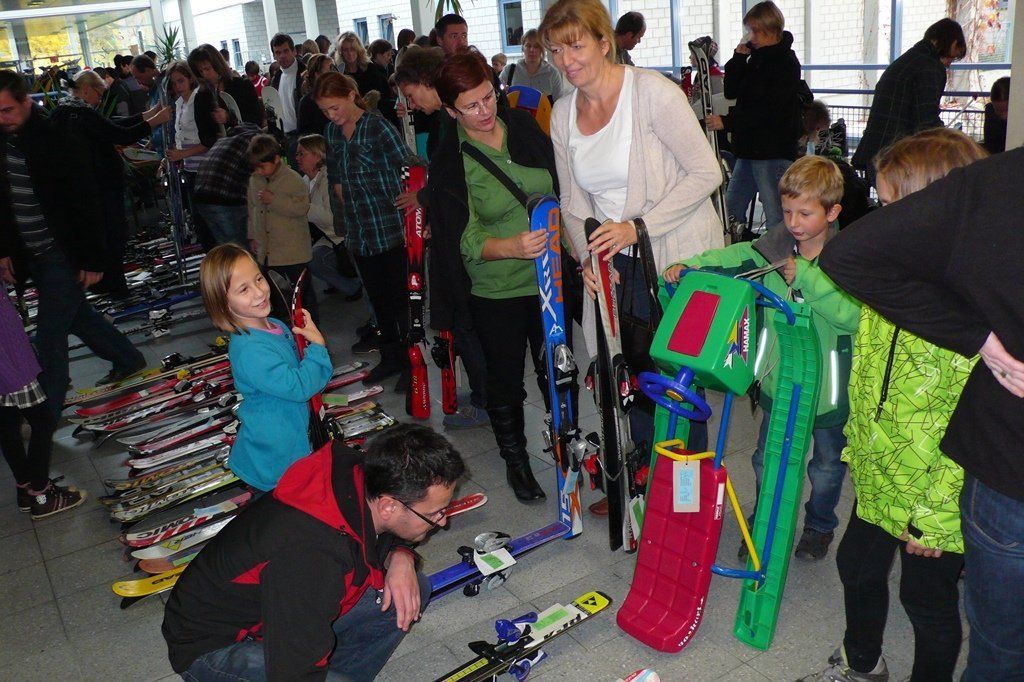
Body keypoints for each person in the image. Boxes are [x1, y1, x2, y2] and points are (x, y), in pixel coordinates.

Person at [819, 141, 1024, 682]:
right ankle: (863, 663)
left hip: (933, 504)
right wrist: (861, 456)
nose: (885, 224)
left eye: (895, 209)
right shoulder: (889, 288)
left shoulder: (969, 321)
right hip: (882, 477)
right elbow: (871, 384)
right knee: (855, 566)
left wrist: (933, 522)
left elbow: (972, 430)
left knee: (925, 604)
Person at [540, 0, 722, 493]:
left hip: (673, 256)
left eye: (575, 46)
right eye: (555, 50)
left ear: (605, 42)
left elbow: (706, 173)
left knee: (676, 383)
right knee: (628, 379)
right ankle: (645, 486)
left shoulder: (652, 94)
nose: (565, 61)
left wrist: (637, 226)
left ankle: (685, 498)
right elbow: (572, 203)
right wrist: (587, 257)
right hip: (614, 260)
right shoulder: (563, 113)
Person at [665, 155, 859, 561]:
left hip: (829, 394)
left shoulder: (848, 259)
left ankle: (819, 526)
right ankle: (763, 519)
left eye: (805, 213)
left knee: (826, 467)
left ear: (832, 212)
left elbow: (851, 316)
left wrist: (807, 278)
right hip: (780, 382)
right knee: (766, 459)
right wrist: (691, 265)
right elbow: (733, 256)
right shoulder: (773, 248)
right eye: (787, 211)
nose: (793, 222)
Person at [162, 424, 464, 680]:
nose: (443, 521)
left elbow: (381, 533)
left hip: (280, 615)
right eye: (434, 513)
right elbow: (295, 670)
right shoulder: (312, 557)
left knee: (410, 589)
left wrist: (401, 555)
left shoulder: (364, 474)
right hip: (215, 645)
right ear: (388, 506)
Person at [429, 50, 559, 501]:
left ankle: (566, 448)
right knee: (505, 382)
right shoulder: (451, 159)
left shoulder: (521, 126)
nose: (485, 111)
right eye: (471, 106)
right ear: (450, 111)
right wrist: (510, 247)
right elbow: (460, 239)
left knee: (557, 370)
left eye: (489, 97)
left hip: (551, 281)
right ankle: (516, 461)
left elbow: (559, 186)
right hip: (496, 290)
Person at [0, 70, 146, 413]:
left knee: (50, 333)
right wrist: (4, 250)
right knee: (77, 315)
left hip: (61, 254)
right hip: (30, 253)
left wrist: (94, 260)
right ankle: (128, 357)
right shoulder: (3, 143)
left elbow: (85, 203)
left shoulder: (57, 140)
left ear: (26, 102)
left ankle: (45, 412)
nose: (2, 118)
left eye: (7, 110)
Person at [198, 243, 331, 492]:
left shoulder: (274, 325)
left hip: (292, 437)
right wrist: (317, 347)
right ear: (224, 304)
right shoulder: (250, 350)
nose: (259, 292)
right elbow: (300, 387)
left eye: (258, 279)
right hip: (275, 456)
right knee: (284, 508)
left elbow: (299, 369)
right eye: (244, 289)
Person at [315, 72, 410, 387]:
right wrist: (340, 193)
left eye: (335, 107)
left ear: (350, 95)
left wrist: (412, 199)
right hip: (359, 231)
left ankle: (411, 364)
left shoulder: (377, 127)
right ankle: (390, 357)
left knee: (400, 301)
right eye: (325, 111)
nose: (332, 116)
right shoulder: (332, 132)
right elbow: (334, 173)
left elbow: (407, 163)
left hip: (388, 226)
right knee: (378, 302)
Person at [49, 70, 172, 298]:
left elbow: (110, 125)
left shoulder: (64, 112)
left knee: (103, 237)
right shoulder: (81, 114)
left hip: (86, 190)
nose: (100, 99)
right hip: (100, 189)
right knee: (112, 236)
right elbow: (119, 134)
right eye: (99, 93)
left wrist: (149, 115)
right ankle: (114, 287)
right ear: (87, 90)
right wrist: (155, 120)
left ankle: (106, 285)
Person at [706, 1, 803, 237]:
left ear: (771, 30)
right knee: (731, 210)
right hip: (750, 150)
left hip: (772, 150)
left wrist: (728, 122)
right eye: (750, 31)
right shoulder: (756, 58)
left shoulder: (784, 63)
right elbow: (731, 91)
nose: (751, 36)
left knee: (775, 214)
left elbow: (767, 110)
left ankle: (780, 256)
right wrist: (738, 58)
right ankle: (732, 248)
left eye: (756, 31)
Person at [1, 291, 85, 519]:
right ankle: (41, 494)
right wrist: (13, 375)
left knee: (8, 423)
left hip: (9, 362)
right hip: (10, 365)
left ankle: (25, 487)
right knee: (43, 421)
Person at [851, 18, 966, 185]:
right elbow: (927, 120)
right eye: (953, 58)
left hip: (876, 151)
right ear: (953, 43)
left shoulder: (907, 60)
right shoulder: (930, 67)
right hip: (898, 158)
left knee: (888, 201)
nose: (949, 64)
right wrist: (952, 142)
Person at [246, 133, 319, 323]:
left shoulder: (292, 179)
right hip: (268, 252)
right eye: (256, 167)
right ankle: (284, 329)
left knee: (302, 296)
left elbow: (301, 208)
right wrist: (252, 236)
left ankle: (311, 331)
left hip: (293, 252)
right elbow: (252, 208)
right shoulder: (254, 180)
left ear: (276, 159)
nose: (259, 171)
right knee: (276, 297)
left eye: (263, 166)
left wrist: (274, 200)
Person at [296, 133, 362, 299]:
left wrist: (303, 207)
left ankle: (353, 286)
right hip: (326, 237)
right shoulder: (305, 180)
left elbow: (331, 218)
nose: (297, 158)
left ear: (317, 155)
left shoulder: (329, 180)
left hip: (341, 237)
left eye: (301, 154)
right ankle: (338, 281)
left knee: (314, 259)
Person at [164, 60, 221, 250]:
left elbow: (208, 140)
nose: (177, 86)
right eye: (174, 83)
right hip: (190, 167)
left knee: (209, 220)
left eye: (181, 81)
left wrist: (182, 153)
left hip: (205, 167)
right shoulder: (180, 102)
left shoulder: (199, 99)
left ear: (190, 79)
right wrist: (178, 153)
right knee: (199, 221)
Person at [193, 122, 261, 246]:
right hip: (226, 198)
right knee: (240, 247)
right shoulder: (254, 142)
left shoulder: (225, 140)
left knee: (226, 246)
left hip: (201, 195)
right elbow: (259, 177)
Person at [334, 32, 401, 131]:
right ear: (340, 52)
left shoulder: (370, 68)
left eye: (352, 49)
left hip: (375, 116)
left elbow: (383, 97)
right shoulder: (340, 73)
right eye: (345, 50)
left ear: (358, 49)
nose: (349, 53)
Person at [188, 44, 262, 126]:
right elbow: (202, 128)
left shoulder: (243, 86)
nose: (204, 75)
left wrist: (229, 117)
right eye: (200, 71)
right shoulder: (202, 96)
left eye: (207, 69)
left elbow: (257, 119)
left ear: (218, 65)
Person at [500, 28, 571, 101]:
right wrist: (503, 94)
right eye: (528, 46)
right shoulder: (509, 71)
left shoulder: (552, 73)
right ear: (523, 48)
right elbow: (496, 95)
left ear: (542, 49)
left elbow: (559, 102)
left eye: (536, 46)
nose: (532, 50)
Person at [269, 33, 306, 155]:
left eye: (286, 51)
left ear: (294, 51)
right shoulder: (276, 78)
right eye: (278, 52)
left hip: (303, 136)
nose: (282, 56)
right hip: (283, 137)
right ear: (274, 56)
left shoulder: (305, 74)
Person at [296, 53, 334, 136]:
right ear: (317, 75)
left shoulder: (339, 96)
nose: (335, 74)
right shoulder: (307, 102)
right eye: (330, 70)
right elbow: (303, 135)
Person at [983, 76, 1009, 154]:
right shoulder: (990, 112)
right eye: (999, 111)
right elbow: (989, 143)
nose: (1004, 116)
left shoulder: (990, 110)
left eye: (1007, 110)